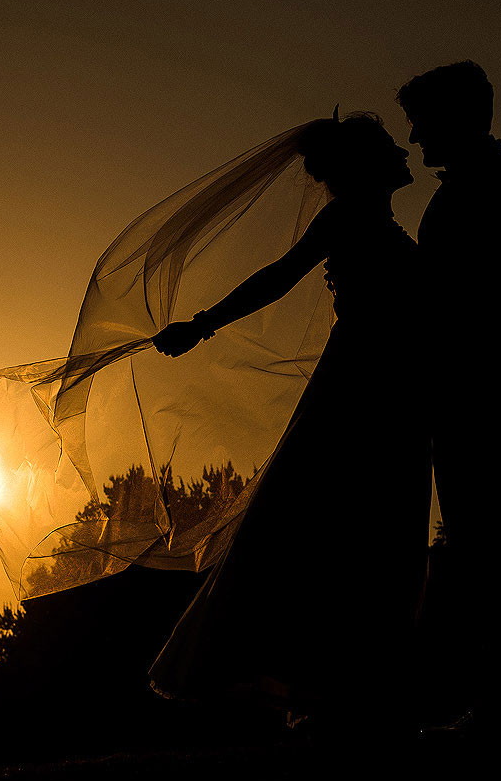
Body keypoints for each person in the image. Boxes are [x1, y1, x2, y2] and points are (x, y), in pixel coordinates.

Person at [145, 113, 428, 739]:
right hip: (362, 381)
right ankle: (329, 683)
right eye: (387, 147)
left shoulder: (380, 224)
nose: (402, 151)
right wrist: (202, 324)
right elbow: (276, 277)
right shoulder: (348, 218)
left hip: (394, 381)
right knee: (333, 522)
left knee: (368, 527)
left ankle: (352, 684)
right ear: (365, 165)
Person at [397, 61, 501, 729]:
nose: (413, 137)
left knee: (484, 529)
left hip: (482, 381)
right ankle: (493, 688)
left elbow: (497, 296)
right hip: (475, 380)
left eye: (423, 122)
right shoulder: (488, 185)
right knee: (476, 527)